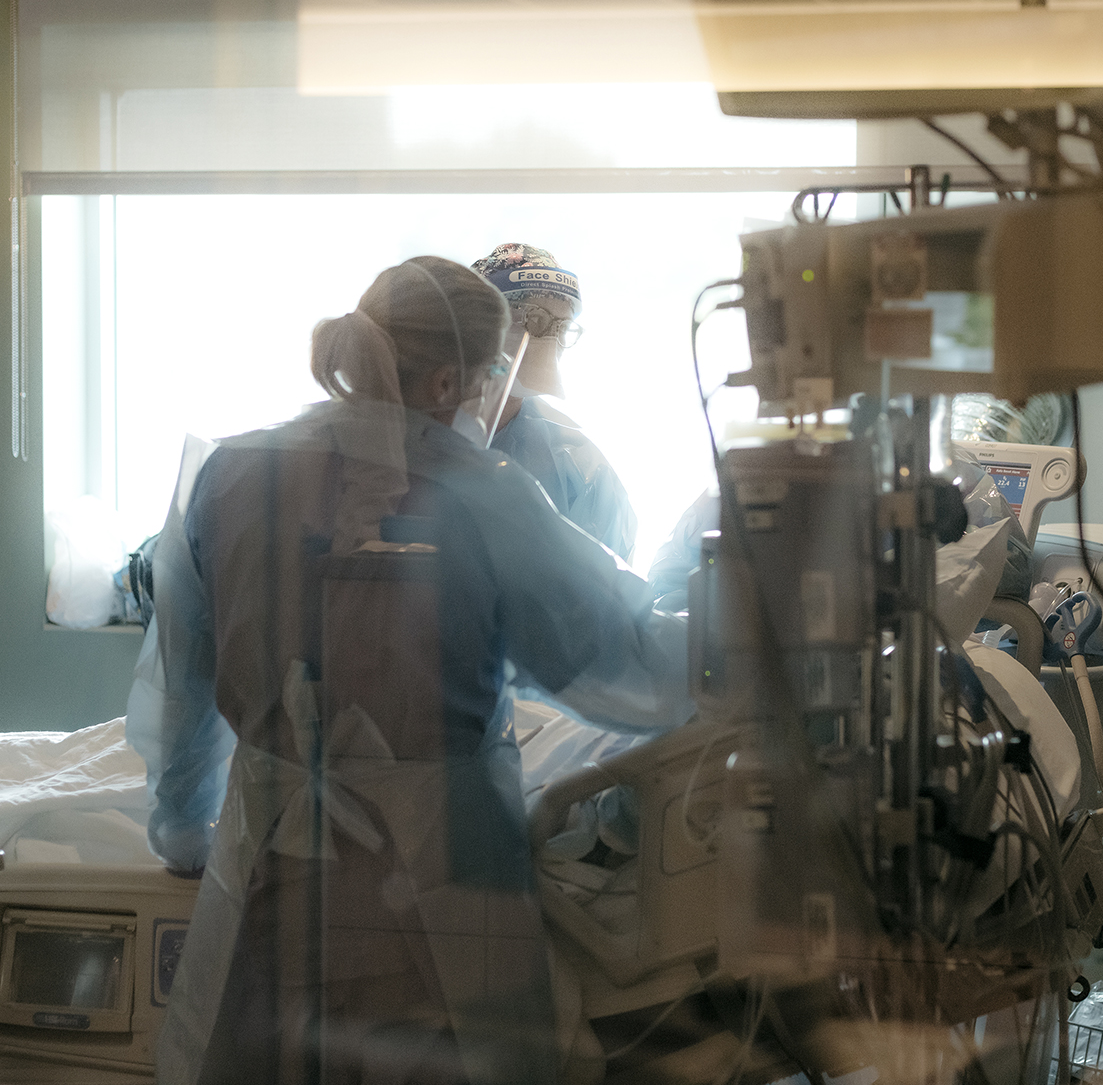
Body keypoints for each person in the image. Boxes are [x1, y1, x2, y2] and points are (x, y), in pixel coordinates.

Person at [126, 256, 692, 1085]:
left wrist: (180, 825)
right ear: (446, 381)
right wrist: (746, 628)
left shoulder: (229, 474)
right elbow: (626, 669)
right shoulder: (487, 494)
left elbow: (184, 679)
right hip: (443, 869)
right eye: (494, 374)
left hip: (268, 853)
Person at [470, 244, 637, 562]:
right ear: (476, 324)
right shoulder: (413, 434)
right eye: (533, 319)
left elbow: (611, 596)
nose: (548, 340)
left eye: (561, 327)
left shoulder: (579, 466)